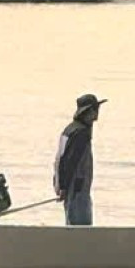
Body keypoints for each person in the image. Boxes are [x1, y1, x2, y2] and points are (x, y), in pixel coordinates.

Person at [53, 93, 106, 226]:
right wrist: (64, 187)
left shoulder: (70, 129)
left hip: (72, 187)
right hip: (78, 188)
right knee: (82, 227)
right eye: (95, 109)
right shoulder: (81, 133)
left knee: (72, 224)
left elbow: (59, 159)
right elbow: (70, 161)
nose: (97, 112)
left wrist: (58, 184)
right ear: (88, 111)